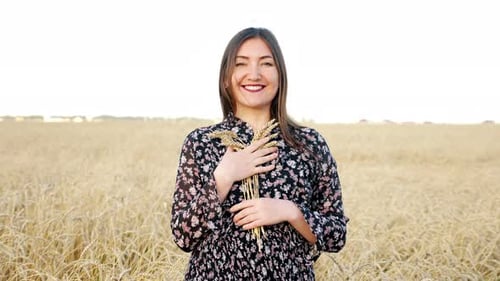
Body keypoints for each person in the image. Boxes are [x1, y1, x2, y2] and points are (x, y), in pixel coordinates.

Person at [170, 27, 348, 280]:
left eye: (266, 63)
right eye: (241, 64)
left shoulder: (309, 144)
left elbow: (336, 236)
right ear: (225, 77)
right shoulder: (202, 142)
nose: (254, 74)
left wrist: (291, 212)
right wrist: (224, 177)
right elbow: (183, 236)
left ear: (280, 76)